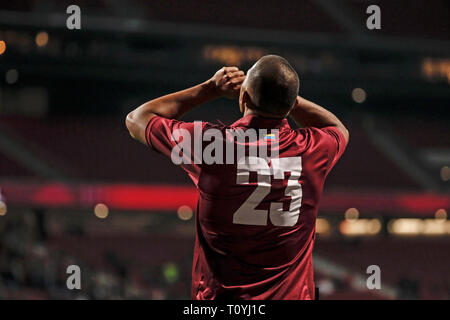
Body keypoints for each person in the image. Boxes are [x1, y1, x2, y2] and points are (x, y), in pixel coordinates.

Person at [126, 55, 349, 300]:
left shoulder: (211, 144)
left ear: (243, 97)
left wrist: (210, 89)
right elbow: (338, 129)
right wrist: (287, 98)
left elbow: (137, 119)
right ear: (289, 104)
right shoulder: (313, 149)